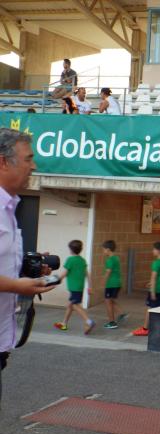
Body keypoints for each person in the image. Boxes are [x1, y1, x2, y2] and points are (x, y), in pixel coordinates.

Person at [0, 129, 55, 404]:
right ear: (3, 162)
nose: (33, 165)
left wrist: (25, 271)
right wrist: (15, 285)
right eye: (28, 158)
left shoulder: (9, 207)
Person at [53, 240, 95, 334]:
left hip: (74, 287)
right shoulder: (82, 260)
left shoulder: (70, 260)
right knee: (70, 305)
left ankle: (88, 321)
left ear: (71, 250)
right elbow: (88, 274)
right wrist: (90, 287)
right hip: (80, 287)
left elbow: (64, 274)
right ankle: (64, 323)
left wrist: (55, 280)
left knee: (75, 305)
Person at [132, 241, 160, 337]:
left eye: (154, 249)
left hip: (156, 290)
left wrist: (152, 291)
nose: (152, 251)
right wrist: (151, 284)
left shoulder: (156, 263)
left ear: (158, 251)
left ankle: (145, 328)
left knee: (150, 309)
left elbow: (154, 277)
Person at [102, 240, 127, 329]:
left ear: (108, 249)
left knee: (108, 302)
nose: (103, 251)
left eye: (104, 249)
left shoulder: (109, 260)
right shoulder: (116, 258)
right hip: (117, 283)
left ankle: (112, 322)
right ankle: (121, 313)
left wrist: (104, 281)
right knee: (111, 301)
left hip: (111, 284)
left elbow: (108, 272)